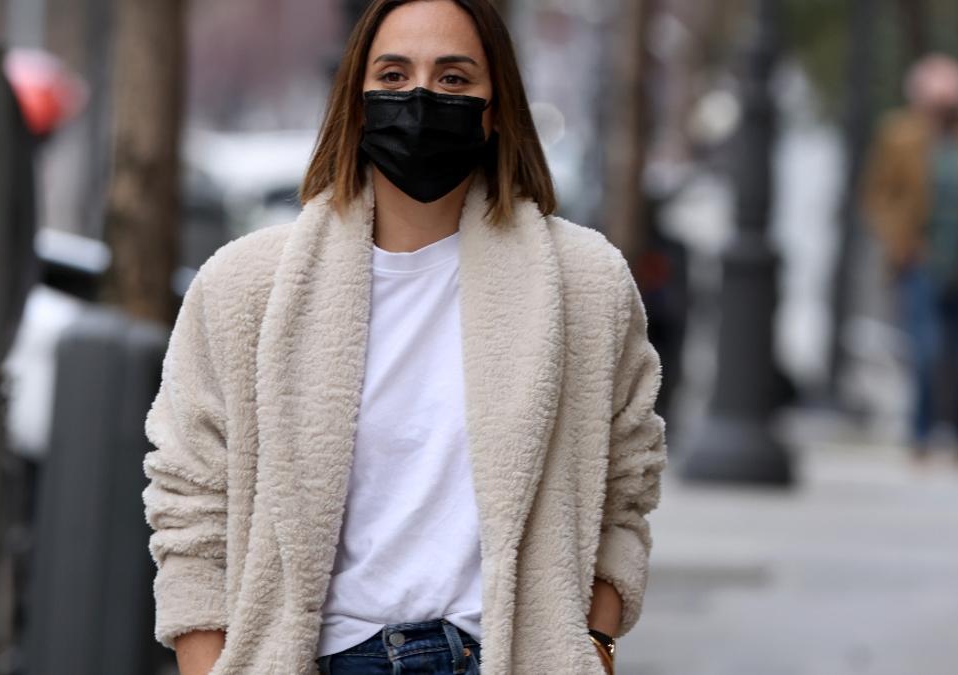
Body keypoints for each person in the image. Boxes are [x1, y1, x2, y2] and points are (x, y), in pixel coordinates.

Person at [140, 2, 668, 674]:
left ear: (497, 105)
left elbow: (629, 482)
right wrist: (208, 661)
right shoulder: (246, 287)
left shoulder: (584, 285)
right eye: (392, 76)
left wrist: (593, 643)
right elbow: (189, 495)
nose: (420, 98)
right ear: (355, 103)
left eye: (453, 79)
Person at [862, 54, 958, 465]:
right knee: (927, 351)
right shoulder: (899, 135)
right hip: (922, 264)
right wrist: (902, 244)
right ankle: (921, 434)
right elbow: (878, 196)